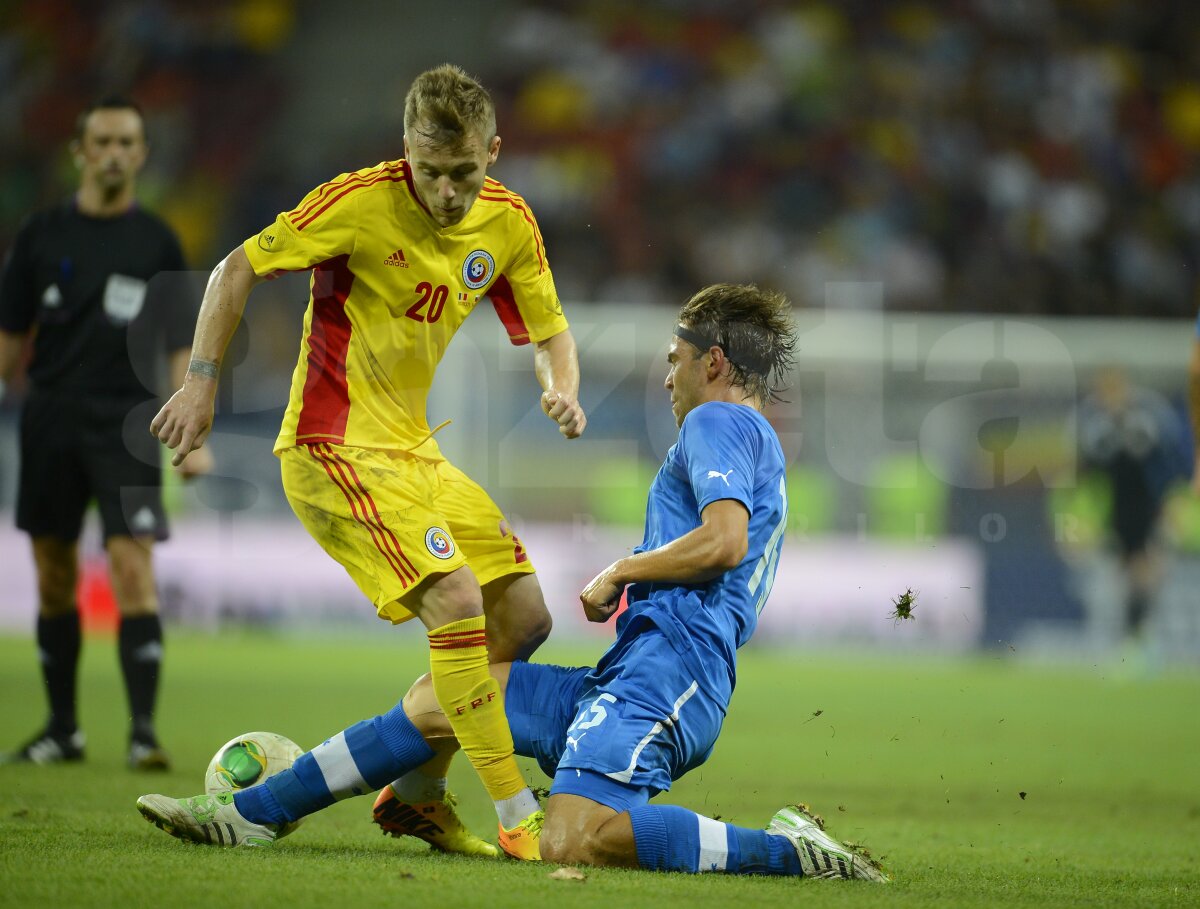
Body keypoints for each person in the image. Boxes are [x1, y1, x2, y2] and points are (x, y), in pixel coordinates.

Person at [137, 283, 890, 882]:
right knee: (443, 699)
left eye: (675, 359)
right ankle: (255, 814)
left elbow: (725, 542)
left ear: (714, 361)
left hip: (671, 674)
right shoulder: (750, 438)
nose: (668, 376)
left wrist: (621, 570)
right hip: (635, 669)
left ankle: (790, 851)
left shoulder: (717, 423)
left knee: (570, 840)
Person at [147, 64, 585, 860]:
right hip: (332, 448)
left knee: (522, 617)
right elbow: (234, 268)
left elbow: (550, 331)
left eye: (464, 173)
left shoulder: (509, 222)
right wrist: (200, 385)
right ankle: (518, 813)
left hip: (417, 454)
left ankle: (416, 793)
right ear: (406, 149)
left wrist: (562, 387)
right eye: (431, 170)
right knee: (456, 599)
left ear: (492, 152)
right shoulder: (355, 202)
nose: (447, 192)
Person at [0, 97, 211, 770]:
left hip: (129, 424)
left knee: (132, 567)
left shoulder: (157, 241)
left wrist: (192, 428)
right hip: (50, 419)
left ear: (142, 154)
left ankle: (143, 732)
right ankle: (62, 729)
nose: (115, 153)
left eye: (127, 143)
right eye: (104, 142)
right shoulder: (40, 235)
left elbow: (180, 344)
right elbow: (10, 339)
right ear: (81, 153)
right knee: (54, 574)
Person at [1077, 366, 1189, 641]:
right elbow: (1090, 468)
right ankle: (1130, 629)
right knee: (1124, 571)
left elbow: (1165, 463)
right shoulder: (1098, 427)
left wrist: (1168, 503)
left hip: (1145, 504)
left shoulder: (1144, 422)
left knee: (1145, 568)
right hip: (1117, 507)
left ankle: (1142, 626)